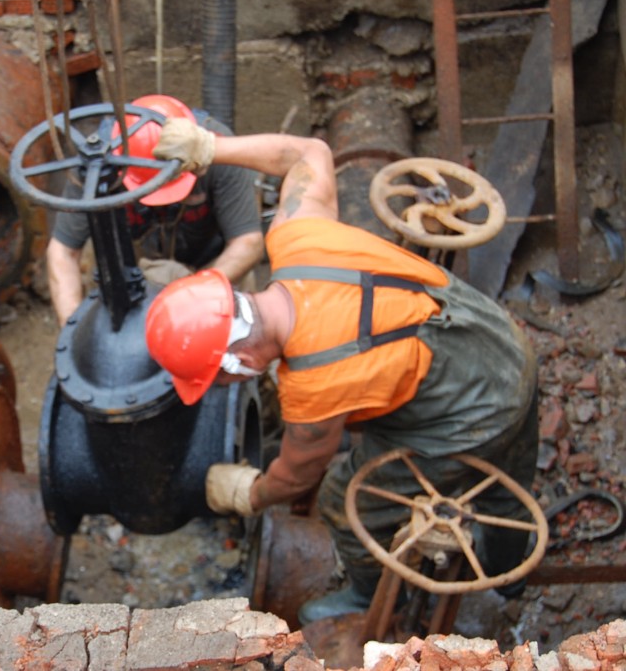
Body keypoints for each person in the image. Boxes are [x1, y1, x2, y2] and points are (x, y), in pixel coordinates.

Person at [144, 117, 540, 625]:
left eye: (216, 379)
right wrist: (210, 145)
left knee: (345, 498)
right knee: (510, 474)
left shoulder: (313, 389)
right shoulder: (296, 239)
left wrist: (247, 491)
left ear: (238, 361)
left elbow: (295, 476)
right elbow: (307, 153)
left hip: (472, 409)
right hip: (495, 335)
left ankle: (376, 596)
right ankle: (512, 564)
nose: (223, 387)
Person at [46, 94, 264, 327]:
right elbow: (62, 252)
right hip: (135, 266)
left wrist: (195, 293)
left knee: (237, 312)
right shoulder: (96, 163)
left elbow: (248, 241)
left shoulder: (217, 150)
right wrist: (72, 331)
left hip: (212, 262)